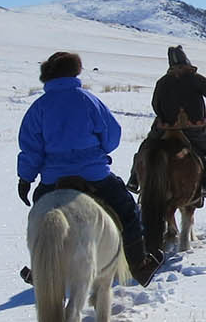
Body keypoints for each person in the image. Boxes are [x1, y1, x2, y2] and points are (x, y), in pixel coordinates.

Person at [17, 51, 164, 285]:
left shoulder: (38, 107)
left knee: (39, 218)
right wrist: (97, 151)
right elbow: (112, 136)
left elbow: (30, 148)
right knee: (126, 210)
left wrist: (25, 178)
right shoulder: (88, 100)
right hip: (93, 175)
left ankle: (40, 270)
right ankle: (139, 265)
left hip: (53, 179)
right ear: (74, 72)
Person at [128, 45, 206, 198]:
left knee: (146, 147)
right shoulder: (196, 79)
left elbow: (155, 104)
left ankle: (134, 179)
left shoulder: (162, 82)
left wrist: (166, 118)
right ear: (186, 60)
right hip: (193, 130)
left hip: (165, 128)